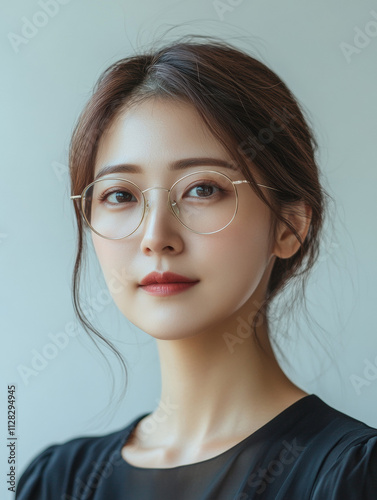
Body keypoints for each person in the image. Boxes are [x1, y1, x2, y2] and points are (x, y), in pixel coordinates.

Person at [16, 35, 377, 500]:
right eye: (120, 195)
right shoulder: (56, 482)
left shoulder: (349, 477)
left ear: (288, 227)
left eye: (203, 189)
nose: (155, 237)